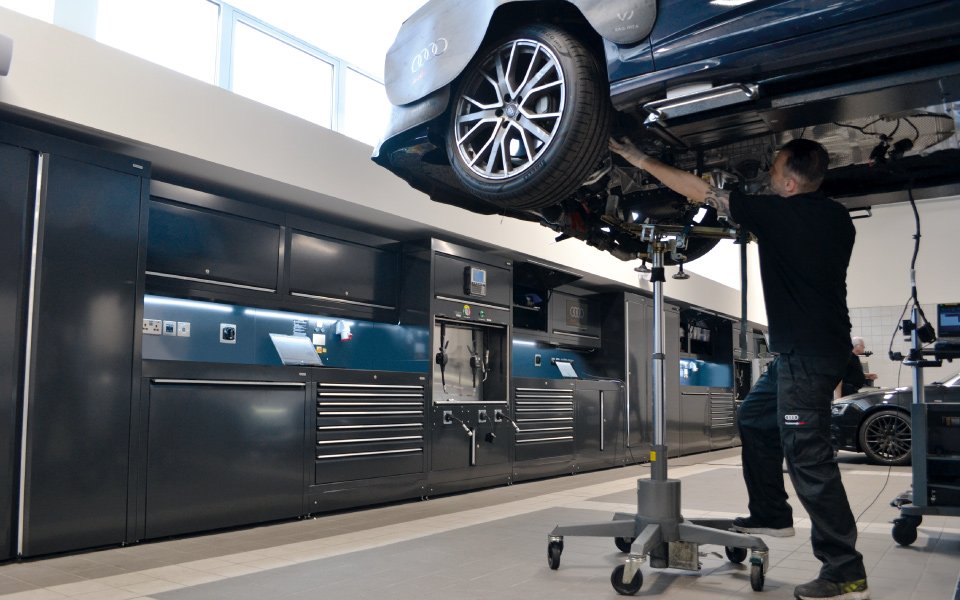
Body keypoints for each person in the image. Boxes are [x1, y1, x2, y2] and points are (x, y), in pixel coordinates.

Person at [609, 137, 869, 600]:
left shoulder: (778, 214)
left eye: (774, 168)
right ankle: (771, 511)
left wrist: (637, 158)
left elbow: (697, 191)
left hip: (807, 356)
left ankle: (844, 570)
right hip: (810, 351)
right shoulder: (836, 217)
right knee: (753, 416)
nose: (769, 174)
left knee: (808, 459)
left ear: (790, 182)